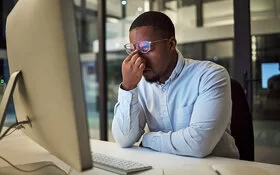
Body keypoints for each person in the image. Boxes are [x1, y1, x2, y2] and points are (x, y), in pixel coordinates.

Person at [112, 11, 239, 159]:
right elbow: (124, 139)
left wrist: (147, 139)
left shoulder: (210, 76)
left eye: (145, 48)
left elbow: (199, 145)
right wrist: (128, 87)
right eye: (133, 50)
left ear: (171, 44)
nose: (138, 59)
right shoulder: (139, 82)